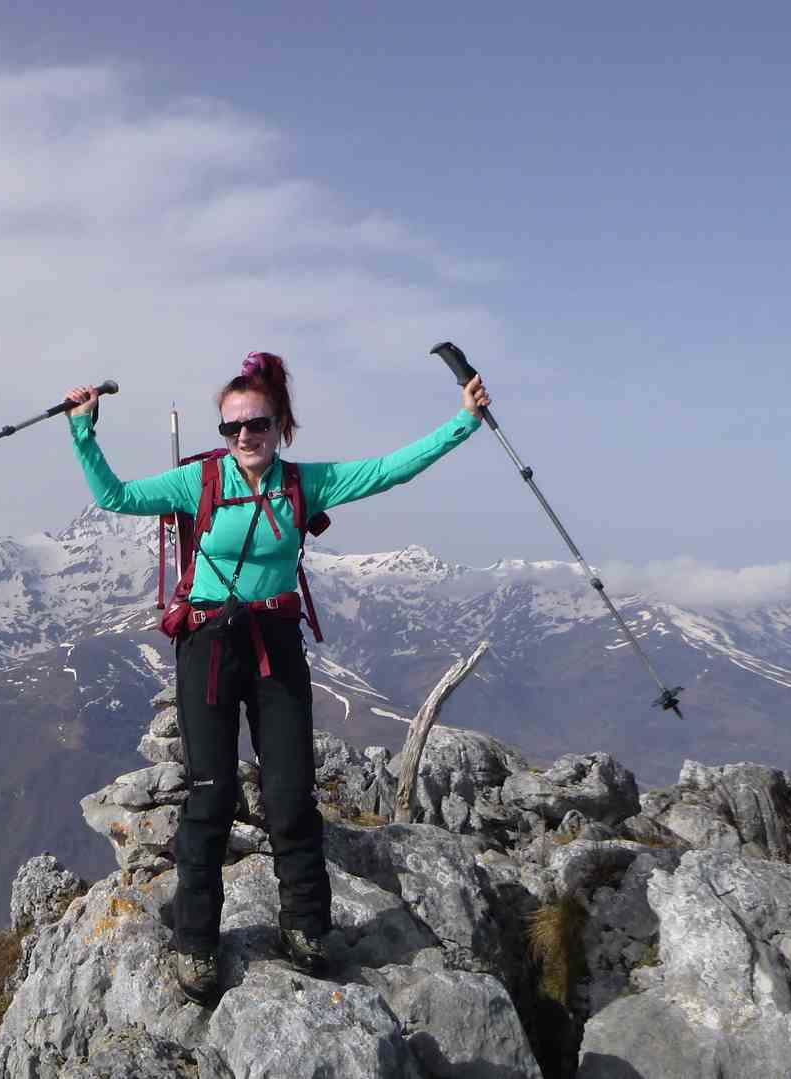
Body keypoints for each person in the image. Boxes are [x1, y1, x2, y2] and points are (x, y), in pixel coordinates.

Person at [62, 352, 491, 1006]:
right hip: (207, 645)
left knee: (291, 793)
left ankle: (308, 928)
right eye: (231, 427)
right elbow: (115, 496)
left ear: (279, 424)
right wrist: (83, 431)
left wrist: (463, 422)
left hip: (274, 644)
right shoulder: (197, 482)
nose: (242, 438)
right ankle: (197, 941)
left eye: (255, 424)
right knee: (211, 793)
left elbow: (388, 470)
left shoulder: (303, 483)